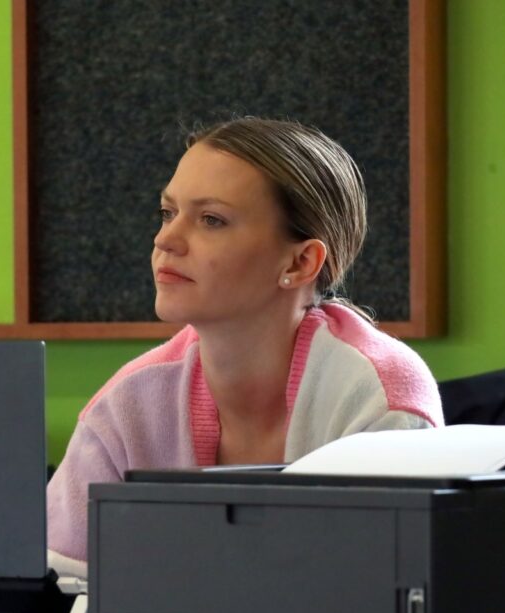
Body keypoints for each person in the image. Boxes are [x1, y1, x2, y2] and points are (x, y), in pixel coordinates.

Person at [46, 117, 444, 578]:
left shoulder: (379, 400)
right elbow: (58, 588)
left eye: (211, 220)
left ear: (300, 262)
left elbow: (388, 594)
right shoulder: (126, 406)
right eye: (167, 213)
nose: (164, 240)